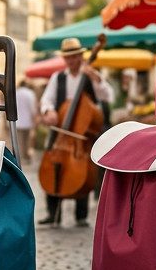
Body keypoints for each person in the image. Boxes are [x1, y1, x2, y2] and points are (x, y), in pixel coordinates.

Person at [39, 38, 115, 227]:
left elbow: (108, 96)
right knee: (54, 164)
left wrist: (97, 79)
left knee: (84, 168)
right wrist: (48, 111)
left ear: (81, 56)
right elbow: (46, 99)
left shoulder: (91, 76)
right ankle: (52, 213)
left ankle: (81, 215)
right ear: (64, 59)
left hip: (82, 135)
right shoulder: (58, 77)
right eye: (68, 57)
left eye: (75, 56)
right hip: (61, 129)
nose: (72, 60)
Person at [15, 79, 37, 164]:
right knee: (27, 140)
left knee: (19, 140)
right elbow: (33, 108)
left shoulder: (16, 93)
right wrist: (34, 118)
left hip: (17, 120)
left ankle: (20, 158)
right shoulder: (30, 93)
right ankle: (26, 157)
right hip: (27, 120)